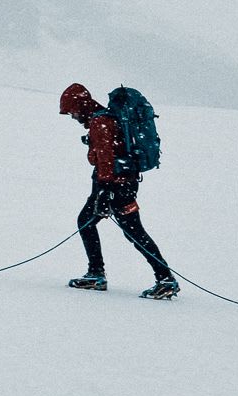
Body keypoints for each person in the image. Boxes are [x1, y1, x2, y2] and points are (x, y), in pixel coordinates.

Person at [59, 83, 178, 300]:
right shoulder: (105, 119)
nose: (73, 116)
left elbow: (106, 161)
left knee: (113, 227)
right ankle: (161, 277)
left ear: (80, 106)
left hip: (114, 186)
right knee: (122, 228)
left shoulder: (100, 123)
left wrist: (104, 193)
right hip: (124, 183)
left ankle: (161, 278)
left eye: (72, 111)